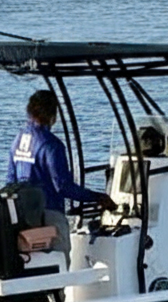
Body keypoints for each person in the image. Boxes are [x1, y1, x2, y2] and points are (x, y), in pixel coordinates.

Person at [7, 89, 117, 254]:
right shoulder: (52, 145)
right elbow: (63, 186)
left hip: (24, 216)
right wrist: (97, 197)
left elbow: (10, 181)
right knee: (58, 261)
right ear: (53, 115)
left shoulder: (18, 139)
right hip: (48, 214)